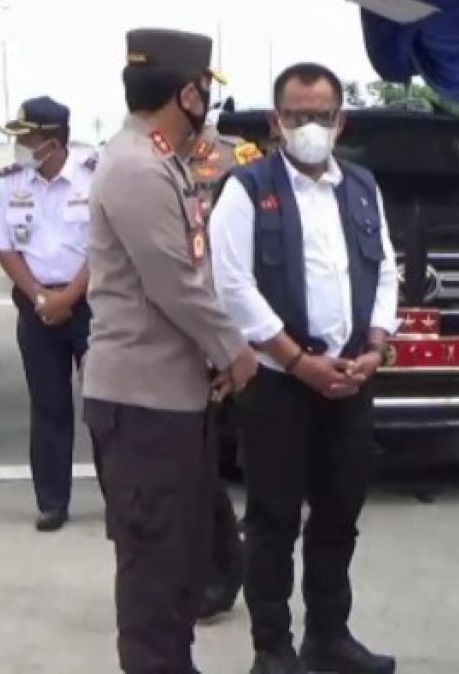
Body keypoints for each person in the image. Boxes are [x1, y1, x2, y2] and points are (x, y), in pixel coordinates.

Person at [209, 63, 398, 674]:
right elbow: (232, 284)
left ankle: (329, 637)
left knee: (340, 514)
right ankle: (274, 648)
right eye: (297, 116)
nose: (309, 126)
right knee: (273, 519)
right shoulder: (245, 188)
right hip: (277, 383)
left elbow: (386, 270)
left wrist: (375, 343)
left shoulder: (364, 186)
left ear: (340, 121)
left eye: (321, 115)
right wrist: (297, 359)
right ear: (275, 122)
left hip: (349, 378)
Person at [83, 29, 257, 674]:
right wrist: (234, 351)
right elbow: (173, 283)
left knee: (180, 566)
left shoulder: (162, 160)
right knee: (155, 575)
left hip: (172, 399)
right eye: (205, 89)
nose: (208, 102)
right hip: (143, 404)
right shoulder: (136, 166)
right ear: (186, 92)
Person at [0, 97, 93, 532]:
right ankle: (52, 501)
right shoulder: (13, 183)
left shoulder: (95, 178)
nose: (21, 146)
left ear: (51, 141)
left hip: (89, 305)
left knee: (106, 405)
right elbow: (5, 248)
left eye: (27, 138)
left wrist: (69, 298)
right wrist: (38, 296)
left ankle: (119, 496)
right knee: (48, 407)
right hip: (36, 307)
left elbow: (107, 249)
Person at [190, 125, 264, 624]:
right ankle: (219, 569)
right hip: (192, 335)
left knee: (255, 464)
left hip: (244, 337)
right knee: (203, 464)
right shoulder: (155, 161)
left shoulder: (238, 159)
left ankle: (243, 571)